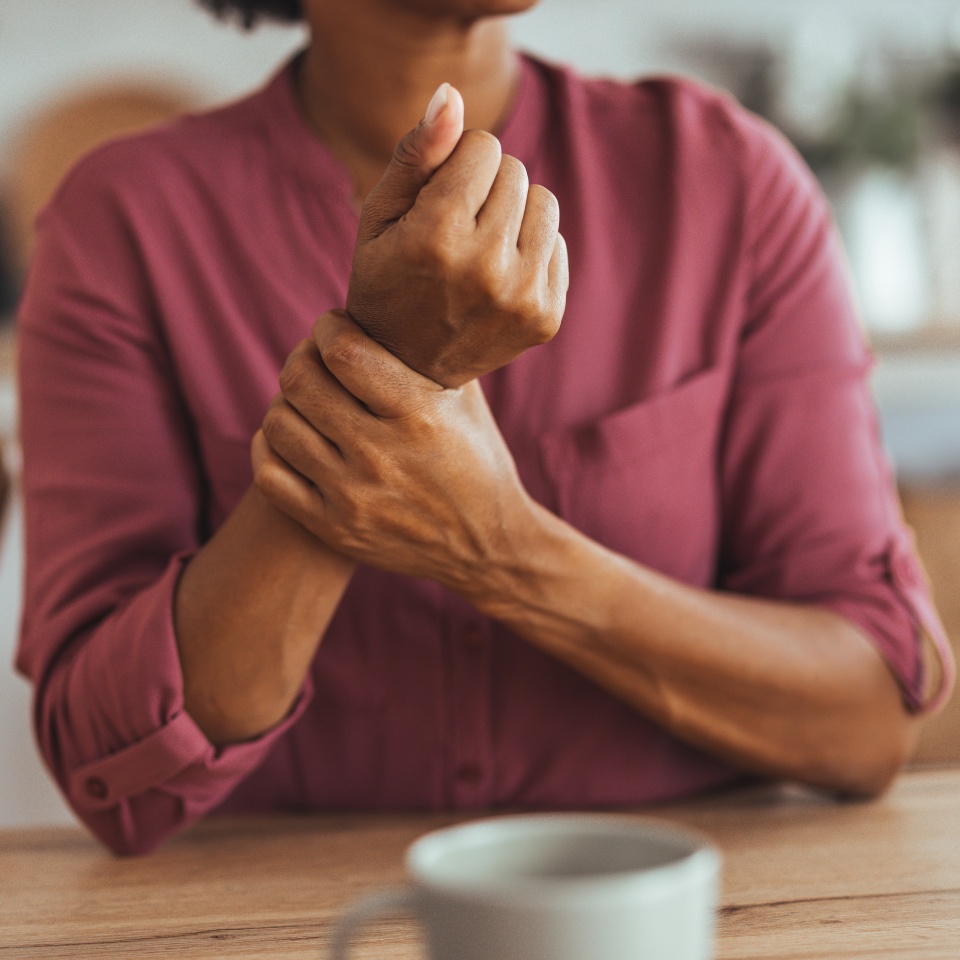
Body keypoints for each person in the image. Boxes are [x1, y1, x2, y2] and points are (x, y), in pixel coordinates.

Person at [16, 0, 954, 856]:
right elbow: (114, 767)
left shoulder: (728, 182)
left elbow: (866, 715)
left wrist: (505, 549)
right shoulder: (121, 225)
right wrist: (395, 353)